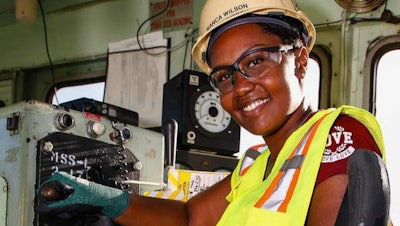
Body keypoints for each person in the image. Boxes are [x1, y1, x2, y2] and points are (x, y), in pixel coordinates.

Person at [37, 0, 389, 225]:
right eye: (224, 76)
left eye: (254, 62)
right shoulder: (256, 164)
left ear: (299, 61)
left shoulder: (338, 132)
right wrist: (103, 199)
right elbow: (190, 217)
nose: (239, 87)